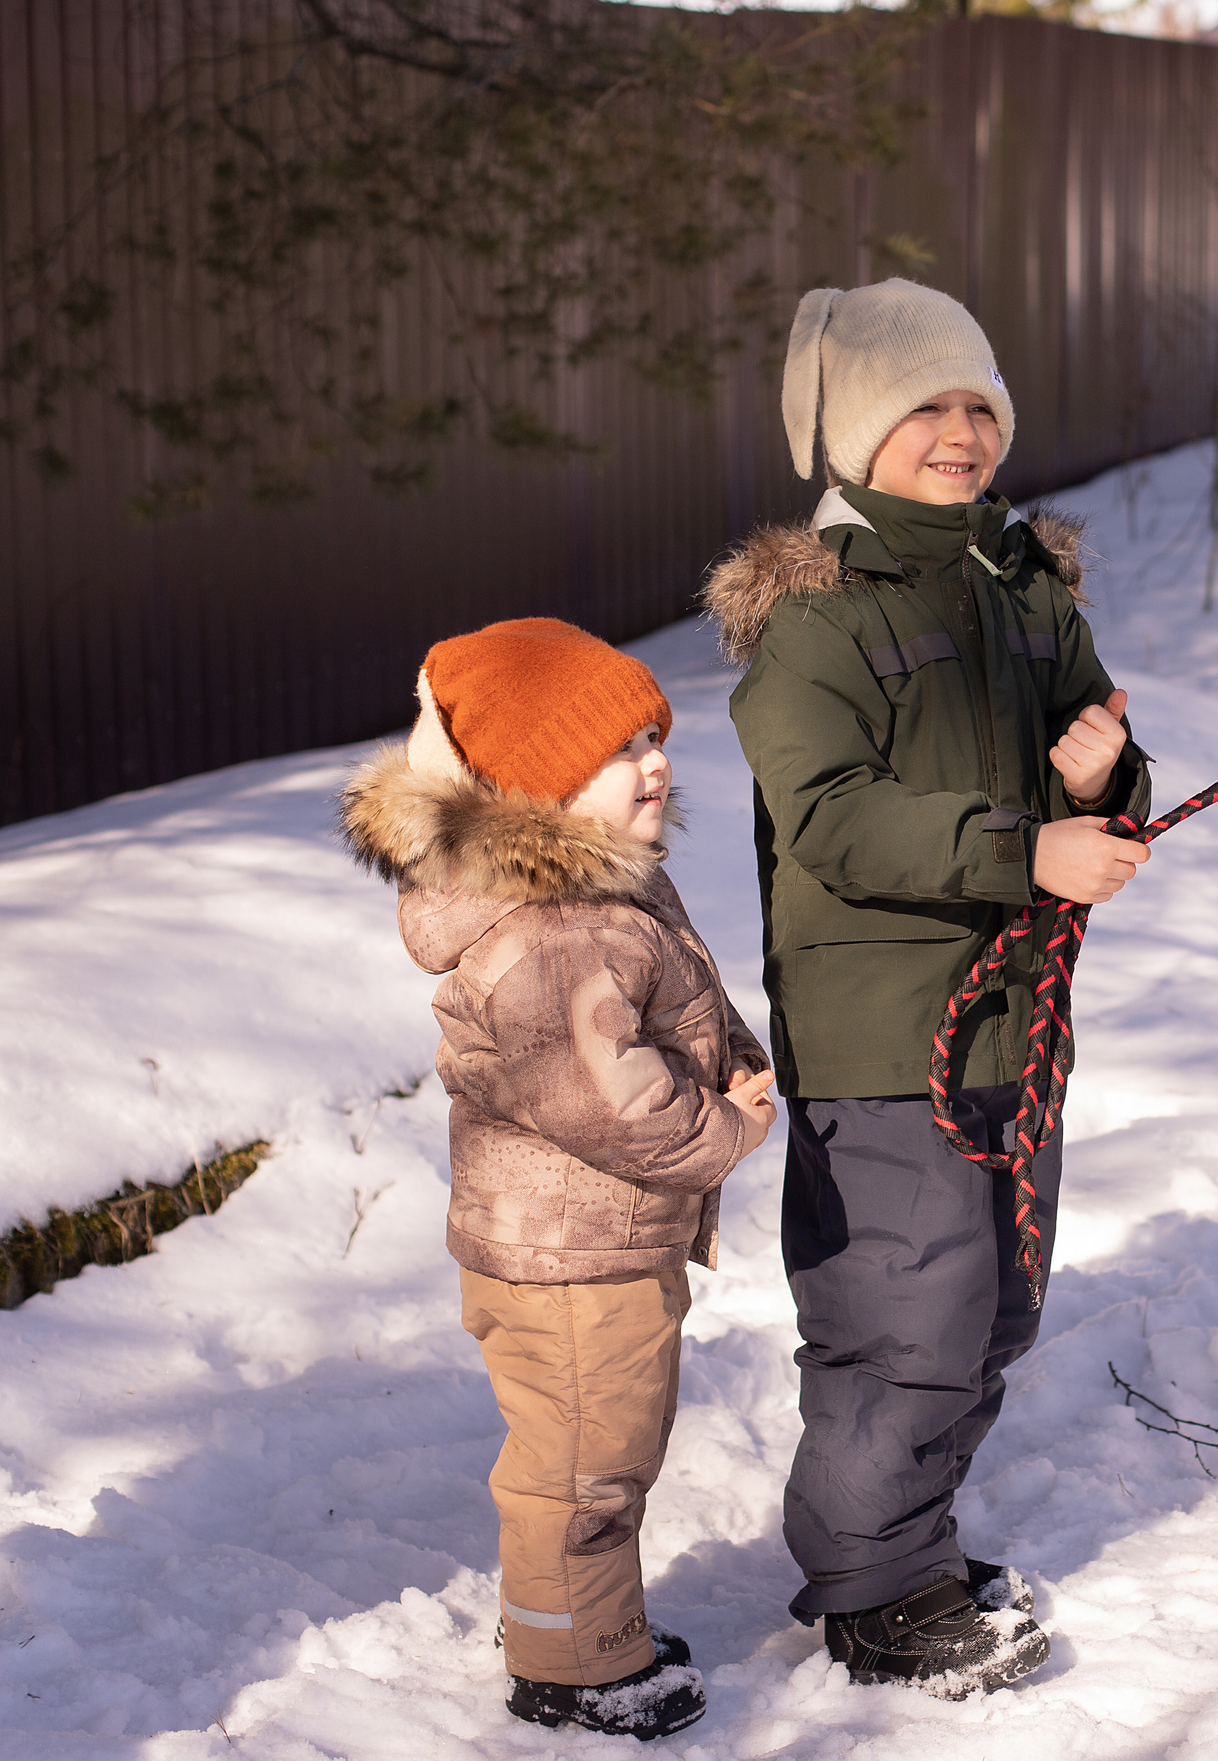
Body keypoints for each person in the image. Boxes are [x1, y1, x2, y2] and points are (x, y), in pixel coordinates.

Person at [709, 279, 1151, 1696]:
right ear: (851, 433)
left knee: (993, 1310)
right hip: (882, 1037)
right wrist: (1032, 845)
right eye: (925, 408)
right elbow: (836, 814)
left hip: (1015, 1020)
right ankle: (872, 1588)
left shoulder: (1024, 590)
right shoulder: (813, 626)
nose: (961, 433)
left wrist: (1101, 778)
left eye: (980, 407)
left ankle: (899, 1539)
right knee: (901, 1316)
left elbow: (1089, 766)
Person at [338, 617, 778, 1741]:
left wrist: (732, 1054)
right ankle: (568, 1661)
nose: (656, 763)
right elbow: (607, 1098)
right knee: (583, 1462)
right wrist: (723, 1127)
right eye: (619, 747)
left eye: (652, 736)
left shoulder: (603, 895)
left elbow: (666, 1011)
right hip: (569, 1253)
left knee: (602, 1443)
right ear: (533, 786)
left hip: (594, 1241)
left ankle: (579, 1618)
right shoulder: (552, 934)